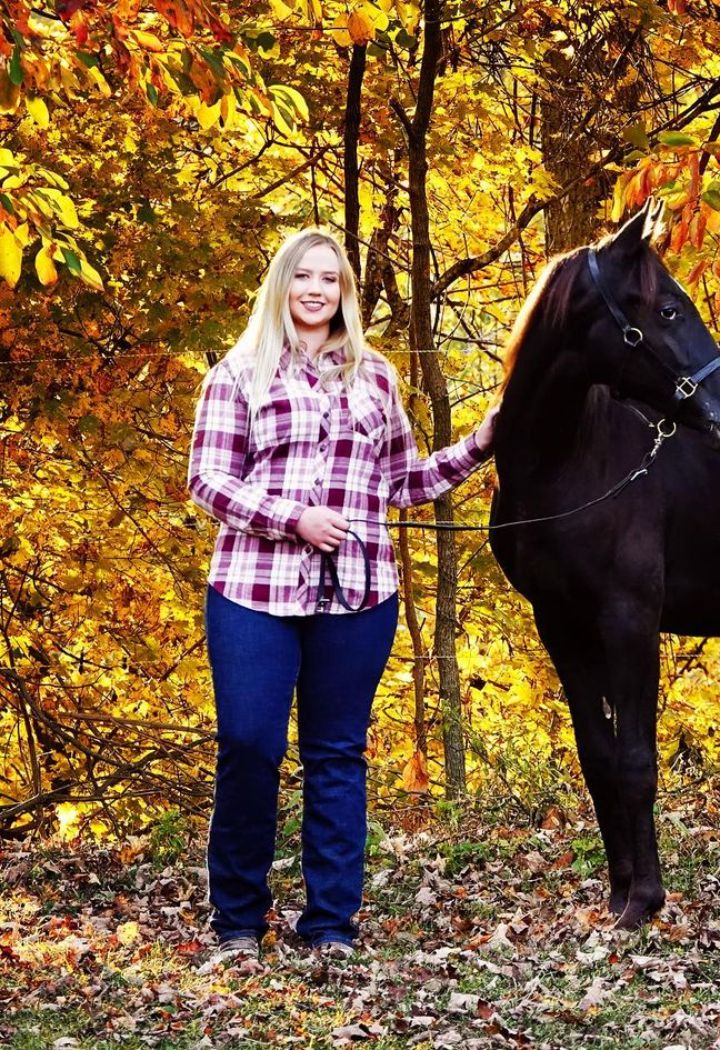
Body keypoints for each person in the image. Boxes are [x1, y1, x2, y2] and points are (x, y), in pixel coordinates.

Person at [187, 227, 496, 963]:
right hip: (253, 593)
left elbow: (403, 483)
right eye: (304, 277)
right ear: (282, 287)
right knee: (250, 747)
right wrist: (293, 518)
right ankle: (237, 922)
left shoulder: (377, 377)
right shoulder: (238, 374)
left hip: (358, 597)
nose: (317, 290)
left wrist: (482, 443)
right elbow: (206, 481)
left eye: (331, 279)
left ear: (346, 294)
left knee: (336, 756)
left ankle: (330, 925)